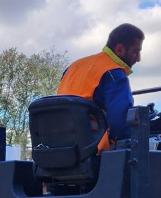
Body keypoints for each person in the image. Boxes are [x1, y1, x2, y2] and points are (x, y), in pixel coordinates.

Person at [56, 23, 145, 152]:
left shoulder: (73, 67)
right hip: (93, 151)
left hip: (61, 146)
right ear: (120, 49)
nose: (138, 59)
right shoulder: (114, 74)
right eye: (136, 52)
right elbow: (120, 123)